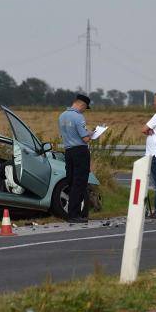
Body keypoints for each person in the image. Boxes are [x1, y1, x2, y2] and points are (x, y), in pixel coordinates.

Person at [58, 94, 92, 224]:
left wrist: (86, 132)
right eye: (85, 108)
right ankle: (75, 214)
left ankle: (71, 213)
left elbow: (68, 134)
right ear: (82, 105)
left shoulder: (62, 116)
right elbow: (85, 138)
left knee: (71, 182)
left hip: (68, 151)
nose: (84, 110)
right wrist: (92, 135)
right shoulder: (78, 117)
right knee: (80, 183)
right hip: (80, 152)